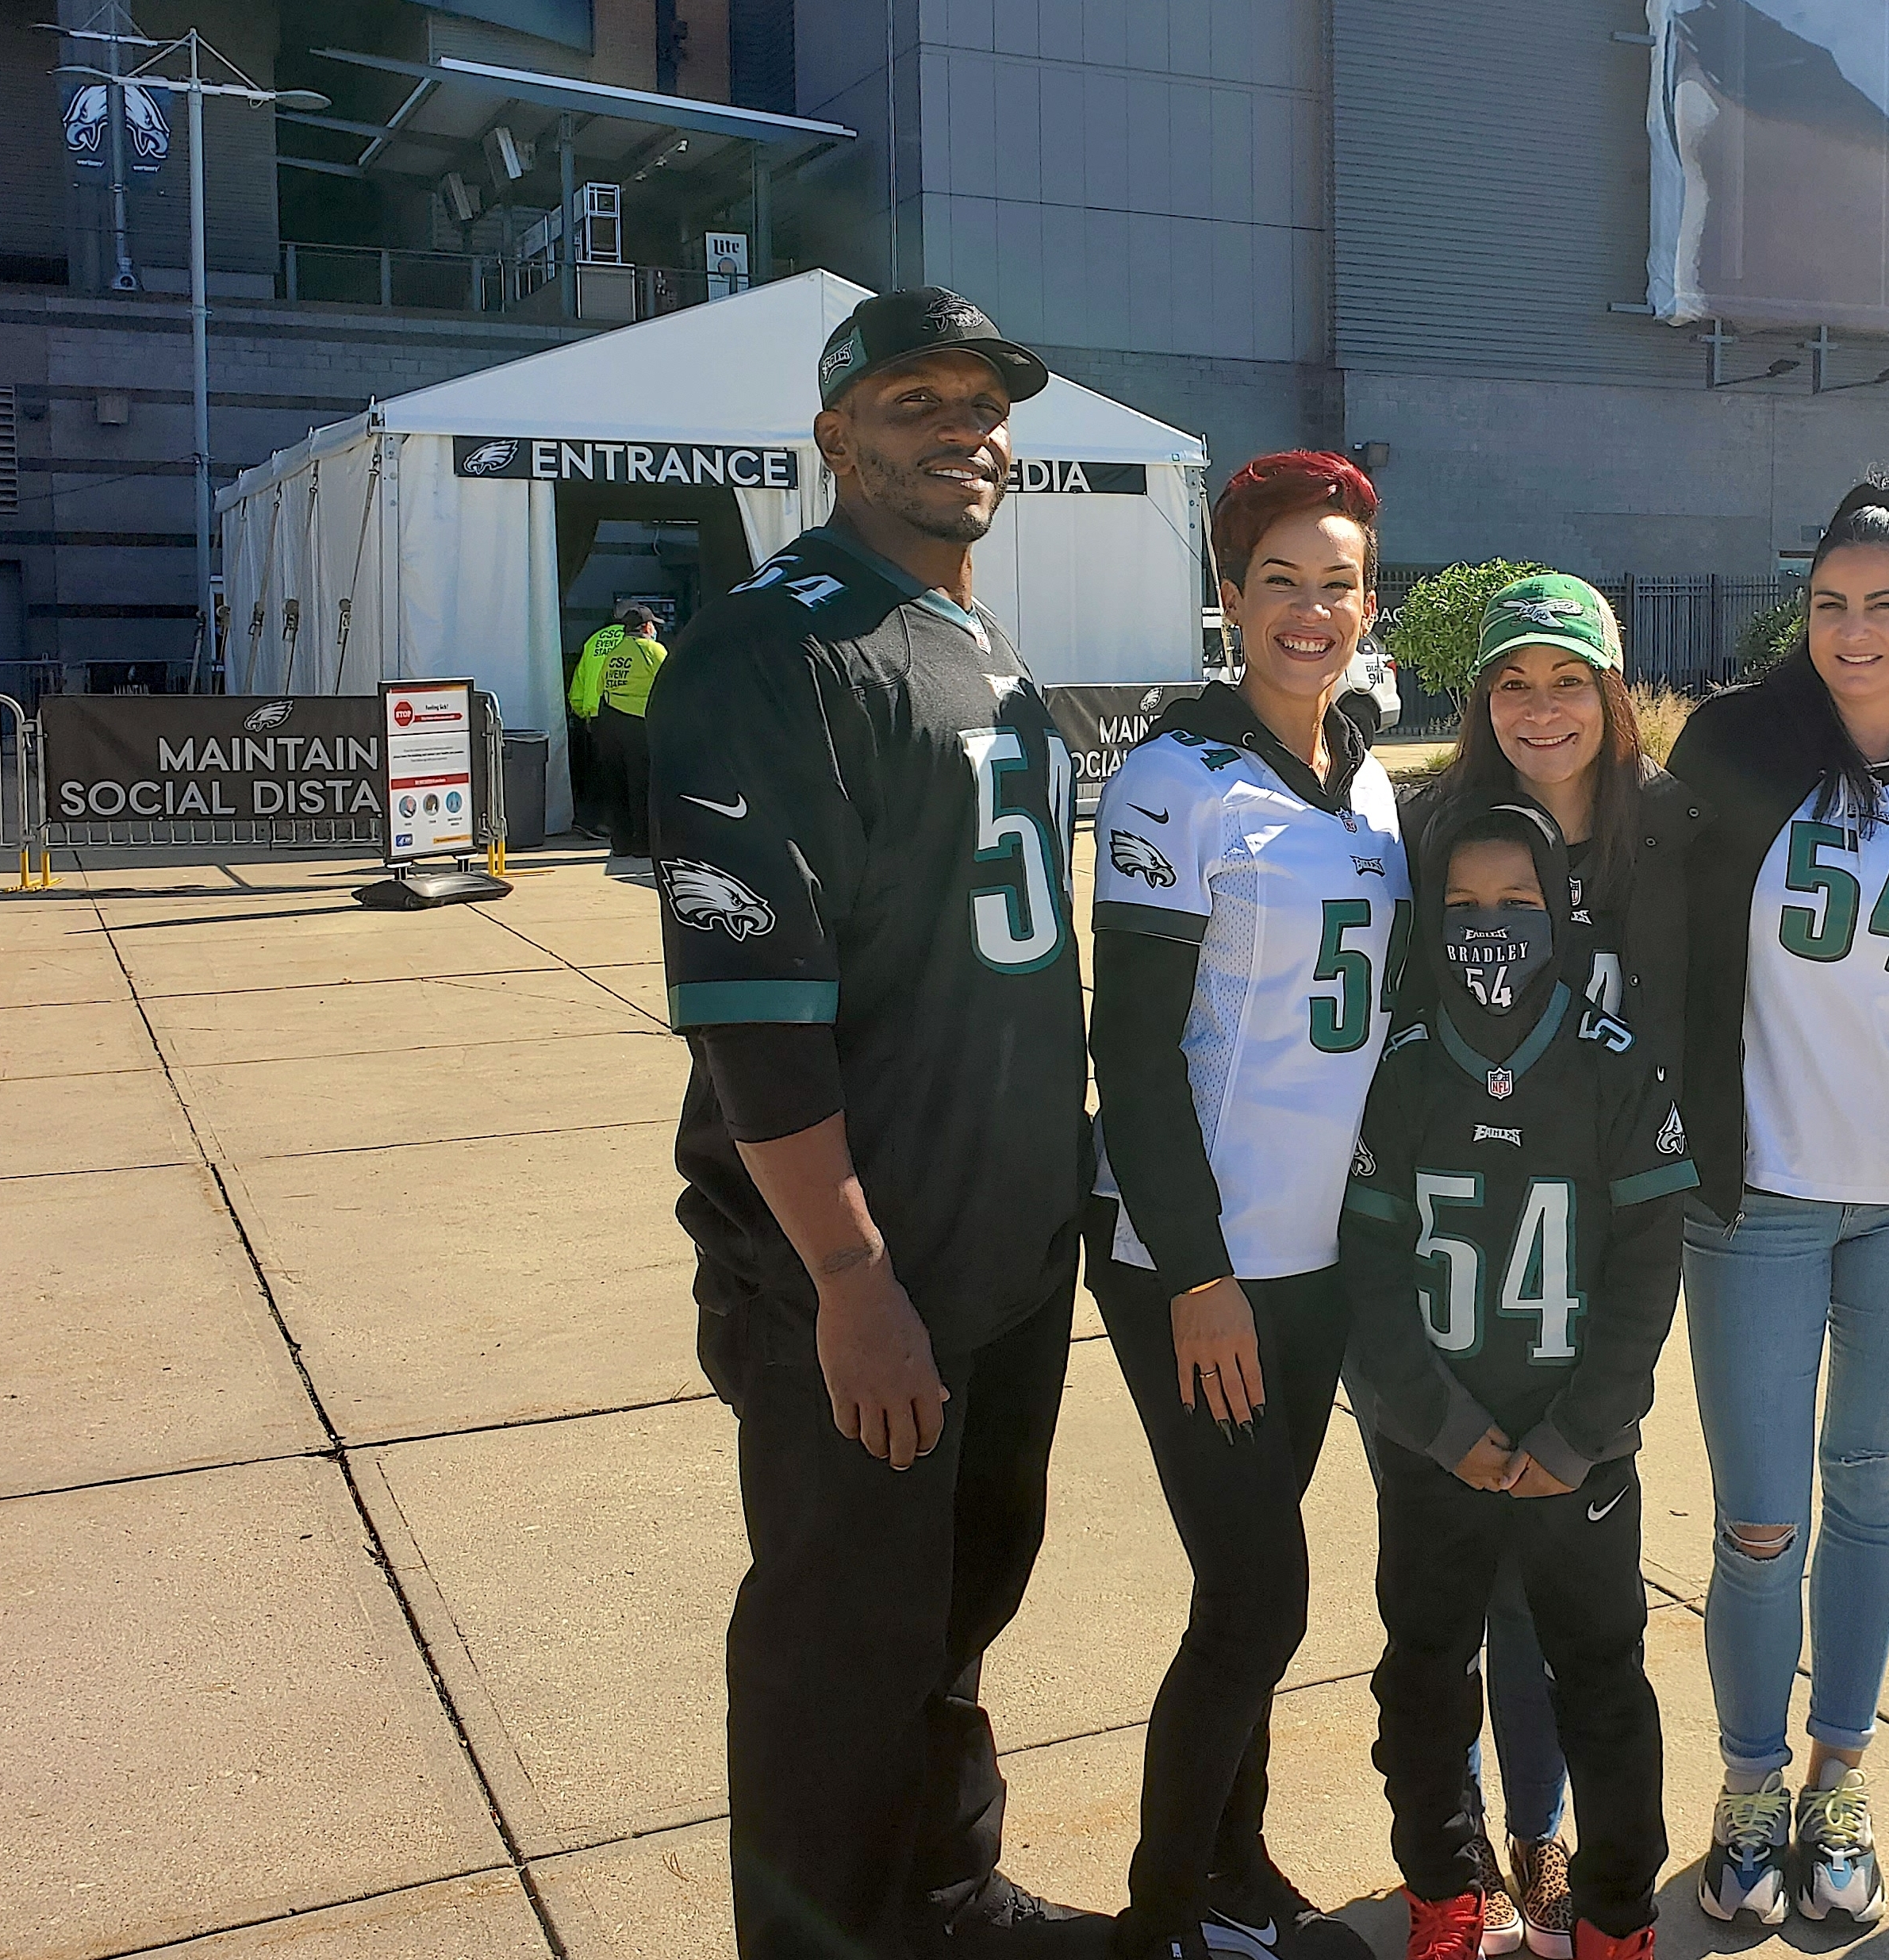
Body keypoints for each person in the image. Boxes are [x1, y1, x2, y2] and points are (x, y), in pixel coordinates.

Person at [644, 286, 1093, 1960]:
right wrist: (844, 1274)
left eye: (982, 402)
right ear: (834, 435)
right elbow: (749, 1008)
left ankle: (945, 1896)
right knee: (838, 1653)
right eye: (915, 399)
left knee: (953, 1618)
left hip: (999, 1252)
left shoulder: (972, 635)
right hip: (862, 1273)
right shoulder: (772, 644)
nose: (960, 429)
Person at [1662, 477, 1889, 1927]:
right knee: (1759, 1523)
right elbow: (1657, 934)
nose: (1853, 632)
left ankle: (1839, 1775)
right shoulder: (1737, 744)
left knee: (1870, 1501)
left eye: (1883, 605)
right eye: (1828, 605)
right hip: (1754, 1202)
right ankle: (1750, 1782)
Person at [1085, 451, 1410, 1960]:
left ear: (1366, 599)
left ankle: (1235, 1872)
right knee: (1258, 1597)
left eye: (1334, 581)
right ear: (1227, 595)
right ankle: (1162, 1918)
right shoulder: (1173, 778)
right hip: (1194, 1259)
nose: (1309, 609)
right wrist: (1195, 1274)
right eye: (1277, 579)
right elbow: (1131, 1048)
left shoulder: (1364, 769)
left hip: (1315, 1254)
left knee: (1252, 1589)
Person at [1386, 573, 1707, 1950]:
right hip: (1453, 1278)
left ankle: (1556, 1847)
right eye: (1511, 681)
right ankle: (1467, 1865)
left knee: (1571, 1627)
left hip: (1588, 1257)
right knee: (1442, 1623)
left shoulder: (1676, 836)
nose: (1540, 706)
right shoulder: (1424, 836)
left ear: (1614, 693)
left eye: (1566, 678)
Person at [571, 602, 666, 856]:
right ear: (647, 627)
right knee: (641, 785)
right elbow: (669, 682)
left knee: (616, 784)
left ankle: (621, 843)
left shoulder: (614, 651)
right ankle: (643, 844)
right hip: (638, 723)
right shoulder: (652, 650)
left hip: (609, 722)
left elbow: (600, 686)